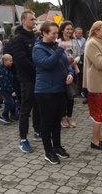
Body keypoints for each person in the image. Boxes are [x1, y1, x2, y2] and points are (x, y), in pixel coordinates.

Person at [33, 20, 73, 164]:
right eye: (53, 33)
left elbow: (66, 64)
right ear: (44, 33)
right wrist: (60, 50)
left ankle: (57, 146)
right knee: (47, 122)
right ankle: (48, 151)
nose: (56, 36)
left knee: (57, 121)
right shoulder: (38, 49)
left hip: (59, 89)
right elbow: (47, 64)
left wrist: (70, 74)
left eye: (57, 33)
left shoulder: (56, 46)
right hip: (45, 91)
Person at [10, 10, 41, 153]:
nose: (34, 21)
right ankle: (23, 138)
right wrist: (37, 70)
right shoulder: (18, 39)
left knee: (38, 106)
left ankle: (37, 131)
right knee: (25, 108)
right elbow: (21, 61)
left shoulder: (35, 37)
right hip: (26, 79)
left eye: (35, 19)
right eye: (31, 19)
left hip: (38, 77)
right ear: (23, 21)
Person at [83, 20, 102, 150]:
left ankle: (99, 137)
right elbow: (100, 63)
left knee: (101, 112)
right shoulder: (92, 43)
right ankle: (95, 140)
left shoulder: (99, 42)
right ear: (95, 31)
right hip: (97, 85)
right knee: (98, 113)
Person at [58, 20, 81, 128]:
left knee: (71, 95)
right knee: (63, 96)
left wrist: (75, 61)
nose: (70, 31)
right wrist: (66, 60)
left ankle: (70, 116)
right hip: (62, 71)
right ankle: (62, 117)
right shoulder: (58, 41)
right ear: (62, 30)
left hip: (73, 69)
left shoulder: (74, 41)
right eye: (67, 29)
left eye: (71, 29)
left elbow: (78, 54)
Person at [0, 54, 17, 124]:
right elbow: (6, 81)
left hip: (8, 88)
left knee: (9, 102)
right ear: (5, 61)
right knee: (11, 103)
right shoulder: (4, 70)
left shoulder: (9, 68)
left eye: (12, 60)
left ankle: (7, 116)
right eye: (10, 61)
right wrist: (12, 91)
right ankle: (3, 115)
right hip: (4, 89)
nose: (12, 62)